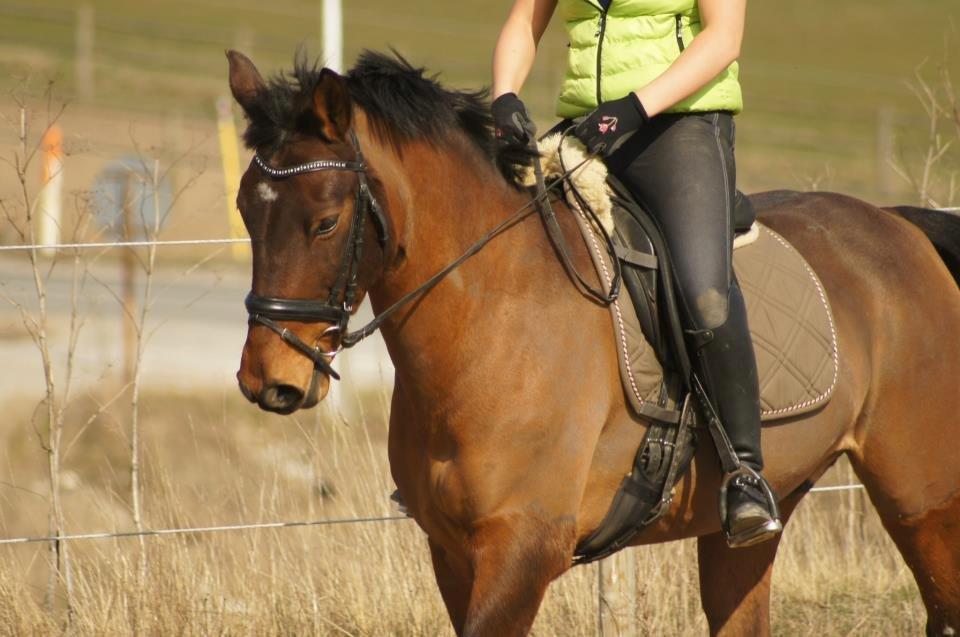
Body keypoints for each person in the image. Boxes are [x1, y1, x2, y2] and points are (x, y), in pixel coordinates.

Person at [490, 0, 782, 547]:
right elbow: (523, 23)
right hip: (589, 125)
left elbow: (724, 39)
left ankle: (744, 474)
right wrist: (505, 96)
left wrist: (634, 108)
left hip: (679, 127)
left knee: (705, 295)